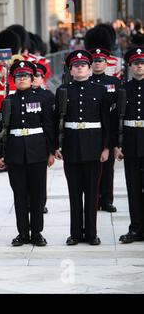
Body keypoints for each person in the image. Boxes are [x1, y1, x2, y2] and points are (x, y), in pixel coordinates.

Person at [55, 50, 110, 246]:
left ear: (89, 68)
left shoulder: (100, 90)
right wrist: (56, 146)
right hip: (71, 146)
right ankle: (75, 234)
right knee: (74, 192)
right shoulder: (63, 90)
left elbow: (106, 121)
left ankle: (92, 233)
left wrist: (106, 147)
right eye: (76, 66)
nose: (79, 68)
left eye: (83, 65)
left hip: (94, 146)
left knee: (92, 192)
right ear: (70, 70)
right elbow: (57, 121)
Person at [1, 61, 55, 247]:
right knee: (20, 195)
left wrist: (51, 151)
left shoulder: (42, 99)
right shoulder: (8, 101)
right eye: (18, 76)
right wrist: (2, 154)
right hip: (15, 152)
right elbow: (3, 131)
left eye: (25, 76)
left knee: (38, 194)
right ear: (13, 80)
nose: (22, 79)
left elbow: (48, 126)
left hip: (38, 150)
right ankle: (22, 233)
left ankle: (37, 232)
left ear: (32, 79)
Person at [114, 46, 144, 244]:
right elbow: (116, 118)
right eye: (136, 64)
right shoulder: (124, 89)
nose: (139, 67)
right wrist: (117, 145)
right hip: (132, 141)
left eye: (142, 63)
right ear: (130, 67)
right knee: (133, 187)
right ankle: (136, 228)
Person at [88, 47, 121, 213]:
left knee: (108, 168)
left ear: (106, 63)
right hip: (93, 128)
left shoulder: (114, 82)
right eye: (94, 61)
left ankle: (107, 199)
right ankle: (95, 199)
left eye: (100, 61)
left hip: (110, 125)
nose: (97, 64)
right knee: (94, 167)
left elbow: (118, 107)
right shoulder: (87, 81)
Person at [32, 62, 56, 214]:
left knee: (40, 179)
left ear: (42, 78)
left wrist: (52, 149)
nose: (34, 79)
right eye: (32, 76)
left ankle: (41, 202)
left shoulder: (48, 96)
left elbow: (51, 124)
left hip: (41, 141)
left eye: (38, 76)